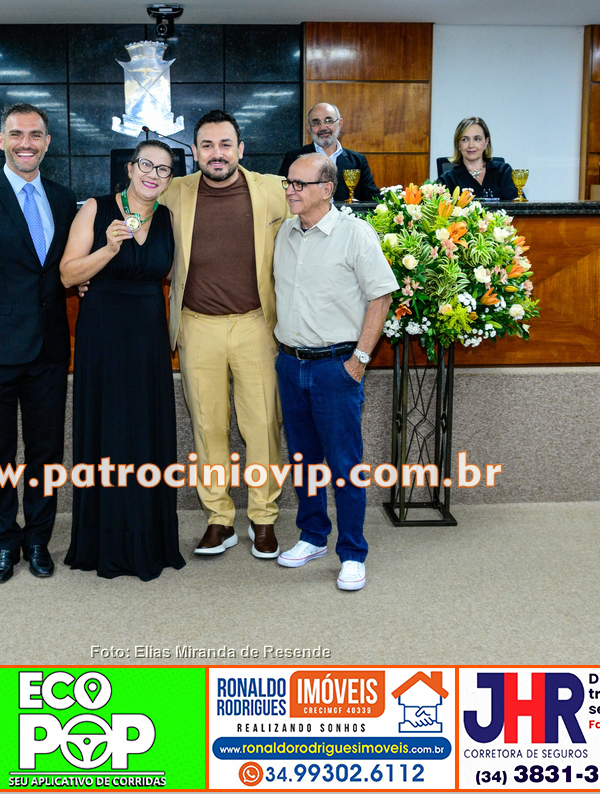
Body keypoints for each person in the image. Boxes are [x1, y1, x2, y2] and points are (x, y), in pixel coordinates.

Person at [0, 103, 77, 584]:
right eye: (17, 134)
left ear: (47, 142)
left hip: (49, 351)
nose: (27, 143)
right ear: (1, 140)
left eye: (36, 135)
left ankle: (38, 540)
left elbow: (65, 268)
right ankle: (5, 541)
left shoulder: (64, 199)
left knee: (46, 453)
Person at [161, 110, 289, 559]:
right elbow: (128, 214)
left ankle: (263, 517)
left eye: (225, 144)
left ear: (241, 149)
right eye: (207, 146)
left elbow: (316, 219)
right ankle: (219, 518)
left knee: (263, 426)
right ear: (195, 152)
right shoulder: (172, 192)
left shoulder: (274, 189)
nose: (217, 154)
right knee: (208, 425)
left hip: (256, 324)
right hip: (197, 326)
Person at [59, 140, 185, 580]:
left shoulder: (168, 218)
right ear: (130, 169)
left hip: (148, 337)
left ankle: (149, 537)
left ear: (169, 180)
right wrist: (108, 251)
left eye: (163, 169)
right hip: (104, 335)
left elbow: (170, 272)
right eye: (146, 164)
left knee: (146, 431)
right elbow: (67, 274)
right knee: (108, 429)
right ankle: (105, 540)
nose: (153, 174)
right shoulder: (96, 209)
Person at [273, 153, 397, 591]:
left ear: (327, 189)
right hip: (290, 364)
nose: (291, 190)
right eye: (288, 183)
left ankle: (352, 552)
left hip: (336, 367)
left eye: (299, 184)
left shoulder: (354, 234)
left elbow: (381, 296)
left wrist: (359, 359)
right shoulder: (286, 232)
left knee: (345, 464)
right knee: (303, 459)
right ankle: (312, 537)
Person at [278, 102, 379, 203]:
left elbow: (373, 199)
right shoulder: (294, 158)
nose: (323, 127)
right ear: (309, 128)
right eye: (316, 123)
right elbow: (282, 195)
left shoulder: (357, 161)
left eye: (329, 121)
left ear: (340, 123)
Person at [438, 116, 518, 201]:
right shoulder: (447, 180)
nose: (471, 145)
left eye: (477, 139)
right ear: (458, 144)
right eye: (465, 139)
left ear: (486, 142)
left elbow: (519, 205)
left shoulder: (503, 171)